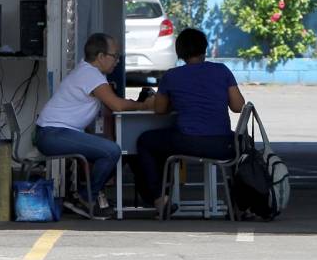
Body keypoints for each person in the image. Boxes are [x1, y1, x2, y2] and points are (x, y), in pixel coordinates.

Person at [34, 32, 152, 218]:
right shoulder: (90, 75)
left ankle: (89, 195)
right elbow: (117, 105)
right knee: (112, 150)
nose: (117, 61)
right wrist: (144, 105)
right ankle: (87, 198)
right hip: (52, 134)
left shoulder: (88, 72)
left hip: (53, 133)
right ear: (101, 56)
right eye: (115, 56)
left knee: (114, 149)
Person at [135, 27, 245, 219]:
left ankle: (160, 199)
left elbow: (160, 110)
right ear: (204, 48)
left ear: (180, 52)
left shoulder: (172, 76)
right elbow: (238, 106)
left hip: (187, 143)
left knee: (146, 141)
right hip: (222, 145)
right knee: (244, 144)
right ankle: (241, 204)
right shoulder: (221, 71)